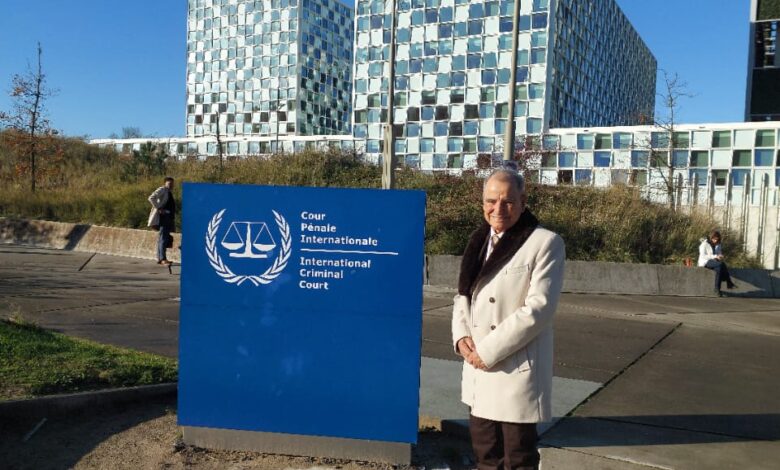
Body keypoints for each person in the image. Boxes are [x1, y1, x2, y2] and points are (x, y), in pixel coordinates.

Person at [452, 169, 565, 470]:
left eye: (508, 201)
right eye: (491, 201)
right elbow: (463, 295)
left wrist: (487, 351)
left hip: (514, 370)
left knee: (518, 459)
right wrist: (461, 337)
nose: (498, 208)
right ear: (482, 203)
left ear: (523, 202)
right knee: (485, 457)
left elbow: (538, 309)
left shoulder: (545, 243)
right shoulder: (478, 239)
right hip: (478, 369)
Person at [147, 176, 176, 266]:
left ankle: (160, 258)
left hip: (168, 217)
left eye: (172, 184)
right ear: (165, 183)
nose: (171, 185)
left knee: (163, 238)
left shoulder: (168, 191)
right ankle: (162, 259)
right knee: (163, 238)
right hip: (164, 217)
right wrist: (159, 208)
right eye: (169, 183)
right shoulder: (162, 189)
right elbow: (151, 198)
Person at [697, 230, 736, 296]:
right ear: (711, 237)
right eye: (714, 239)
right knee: (721, 265)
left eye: (717, 239)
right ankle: (728, 281)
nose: (715, 241)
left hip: (714, 261)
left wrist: (720, 256)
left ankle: (717, 290)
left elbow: (719, 252)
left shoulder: (718, 244)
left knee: (719, 268)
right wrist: (715, 256)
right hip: (705, 261)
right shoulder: (704, 244)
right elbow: (703, 256)